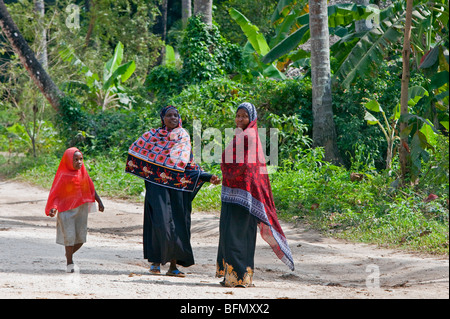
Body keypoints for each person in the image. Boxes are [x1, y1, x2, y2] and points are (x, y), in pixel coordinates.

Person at [126, 105, 220, 277]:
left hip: (177, 190)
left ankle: (173, 267)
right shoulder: (152, 136)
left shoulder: (183, 136)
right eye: (169, 115)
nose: (173, 118)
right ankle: (155, 263)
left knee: (177, 226)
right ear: (163, 118)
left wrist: (207, 176)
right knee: (159, 224)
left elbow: (188, 165)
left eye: (176, 115)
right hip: (157, 189)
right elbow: (135, 152)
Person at [216, 102, 294, 288]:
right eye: (238, 115)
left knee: (235, 235)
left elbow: (244, 166)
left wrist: (226, 168)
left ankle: (238, 277)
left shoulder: (248, 137)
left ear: (251, 118)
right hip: (236, 194)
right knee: (236, 234)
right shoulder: (242, 135)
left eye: (244, 116)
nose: (240, 119)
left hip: (243, 197)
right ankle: (237, 277)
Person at [45, 147, 105, 273]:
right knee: (69, 237)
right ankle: (69, 262)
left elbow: (91, 188)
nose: (79, 162)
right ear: (68, 161)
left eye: (81, 159)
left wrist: (99, 201)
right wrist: (53, 208)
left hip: (81, 210)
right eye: (76, 159)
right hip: (66, 210)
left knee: (81, 238)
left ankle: (68, 255)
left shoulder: (83, 173)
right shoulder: (63, 175)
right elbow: (56, 194)